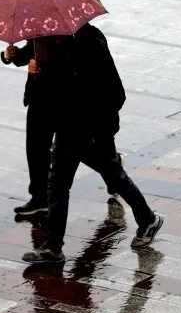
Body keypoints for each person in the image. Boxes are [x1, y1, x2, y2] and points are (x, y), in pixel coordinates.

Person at [20, 24, 163, 263]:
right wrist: (37, 75)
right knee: (57, 184)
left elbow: (116, 93)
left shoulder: (91, 41)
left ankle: (148, 219)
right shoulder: (48, 44)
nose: (47, 31)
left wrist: (95, 127)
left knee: (112, 173)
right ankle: (53, 246)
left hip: (94, 126)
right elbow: (52, 91)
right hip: (66, 126)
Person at [1, 39, 123, 217]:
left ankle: (113, 168)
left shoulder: (75, 37)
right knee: (36, 148)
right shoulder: (40, 27)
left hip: (62, 100)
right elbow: (30, 52)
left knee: (74, 150)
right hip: (38, 96)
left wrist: (43, 68)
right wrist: (13, 56)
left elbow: (76, 67)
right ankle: (39, 198)